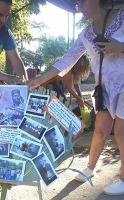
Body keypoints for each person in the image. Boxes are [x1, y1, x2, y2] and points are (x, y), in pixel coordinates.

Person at [27, 0, 124, 195]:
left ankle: (123, 178)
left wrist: (120, 46)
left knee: (121, 132)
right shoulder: (86, 34)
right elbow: (67, 59)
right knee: (100, 130)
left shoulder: (122, 16)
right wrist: (40, 79)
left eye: (81, 0)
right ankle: (89, 168)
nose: (77, 4)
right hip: (103, 88)